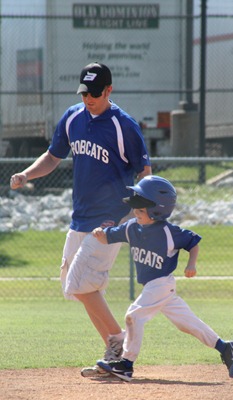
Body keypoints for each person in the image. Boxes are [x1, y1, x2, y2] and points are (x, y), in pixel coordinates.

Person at [10, 62, 152, 369]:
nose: (89, 98)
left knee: (80, 283)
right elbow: (52, 156)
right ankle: (114, 347)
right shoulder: (73, 117)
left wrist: (137, 212)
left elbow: (145, 172)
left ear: (109, 91)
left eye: (95, 93)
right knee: (73, 285)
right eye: (85, 92)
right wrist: (27, 174)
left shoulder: (123, 125)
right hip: (80, 218)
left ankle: (119, 341)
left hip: (110, 219)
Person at [89, 175, 233, 382]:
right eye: (136, 209)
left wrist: (191, 264)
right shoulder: (132, 227)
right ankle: (225, 347)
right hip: (156, 288)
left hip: (161, 283)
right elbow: (109, 235)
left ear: (157, 211)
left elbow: (193, 242)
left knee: (133, 316)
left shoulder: (170, 232)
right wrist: (100, 233)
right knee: (186, 323)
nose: (136, 212)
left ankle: (126, 364)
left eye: (141, 210)